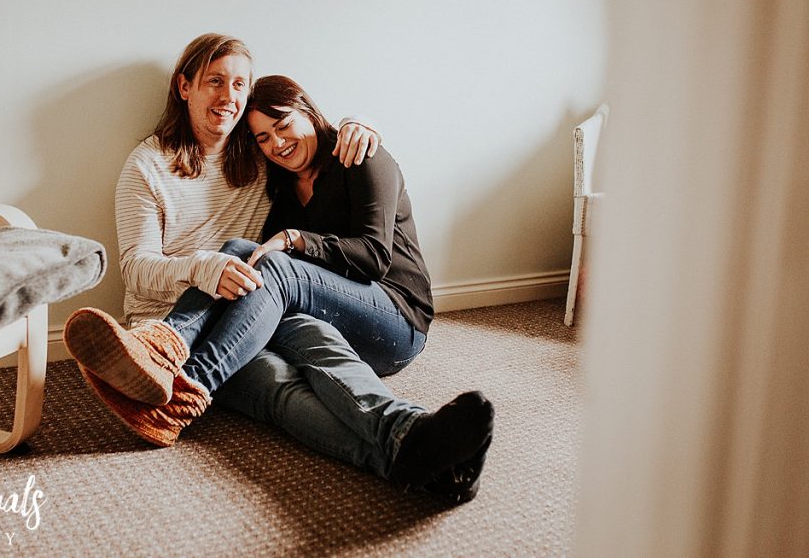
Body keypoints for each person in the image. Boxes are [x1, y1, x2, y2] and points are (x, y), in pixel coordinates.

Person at [65, 35, 493, 503]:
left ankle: (181, 395)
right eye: (215, 81)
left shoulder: (255, 158)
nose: (229, 97)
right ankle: (410, 445)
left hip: (253, 307)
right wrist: (206, 269)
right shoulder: (147, 165)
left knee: (316, 337)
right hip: (171, 311)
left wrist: (361, 124)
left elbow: (314, 141)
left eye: (239, 85)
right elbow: (135, 268)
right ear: (184, 87)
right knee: (279, 386)